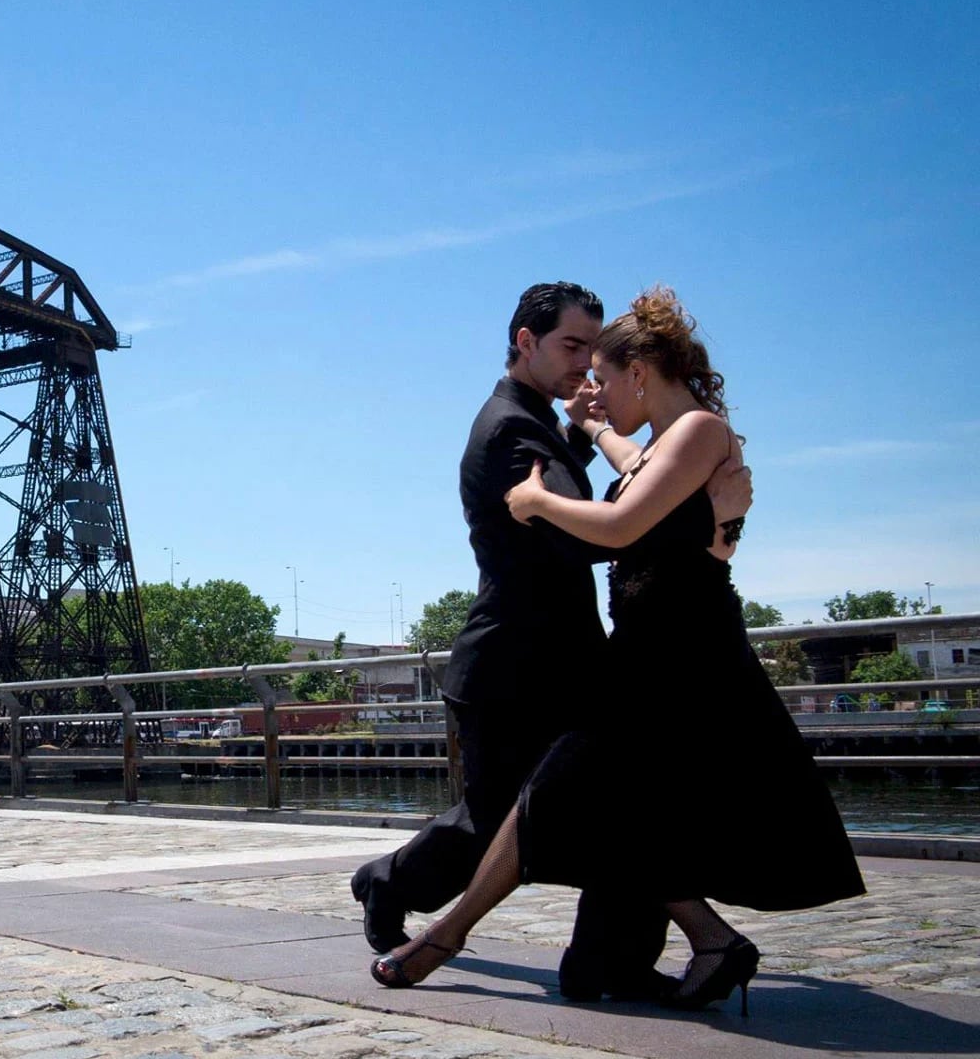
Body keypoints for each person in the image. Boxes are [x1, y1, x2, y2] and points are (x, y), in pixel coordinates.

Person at [367, 287, 864, 1013]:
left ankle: (447, 939)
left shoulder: (696, 432)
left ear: (640, 372)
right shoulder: (666, 438)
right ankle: (694, 944)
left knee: (554, 803)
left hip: (675, 660)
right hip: (641, 657)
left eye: (600, 371)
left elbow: (624, 521)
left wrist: (538, 501)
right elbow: (634, 467)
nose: (590, 385)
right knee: (613, 814)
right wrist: (594, 432)